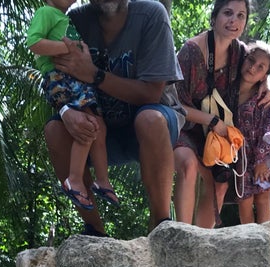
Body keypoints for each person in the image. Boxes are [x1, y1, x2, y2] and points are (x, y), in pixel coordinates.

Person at [43, 0, 185, 236]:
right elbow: (53, 73)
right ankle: (94, 230)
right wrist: (66, 112)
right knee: (54, 130)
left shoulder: (151, 14)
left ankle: (161, 224)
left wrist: (94, 74)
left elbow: (151, 93)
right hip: (100, 131)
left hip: (152, 124)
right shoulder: (74, 21)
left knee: (150, 119)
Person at [173, 0, 270, 228]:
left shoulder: (240, 53)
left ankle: (202, 243)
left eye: (240, 16)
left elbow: (260, 65)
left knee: (221, 181)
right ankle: (181, 235)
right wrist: (212, 121)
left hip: (216, 137)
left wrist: (267, 84)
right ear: (215, 16)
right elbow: (174, 105)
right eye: (228, 13)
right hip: (185, 127)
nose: (234, 21)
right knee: (188, 165)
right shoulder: (191, 51)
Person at [27, 0, 119, 210]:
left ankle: (103, 180)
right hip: (60, 77)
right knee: (86, 126)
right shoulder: (46, 12)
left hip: (75, 77)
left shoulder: (66, 18)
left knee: (99, 126)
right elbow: (34, 42)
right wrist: (69, 47)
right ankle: (74, 180)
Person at [235, 42, 270, 223]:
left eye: (260, 67)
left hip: (261, 155)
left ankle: (265, 236)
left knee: (263, 195)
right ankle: (249, 241)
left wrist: (262, 161)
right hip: (237, 156)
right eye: (251, 60)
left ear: (264, 76)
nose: (252, 68)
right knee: (244, 199)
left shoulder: (263, 99)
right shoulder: (227, 92)